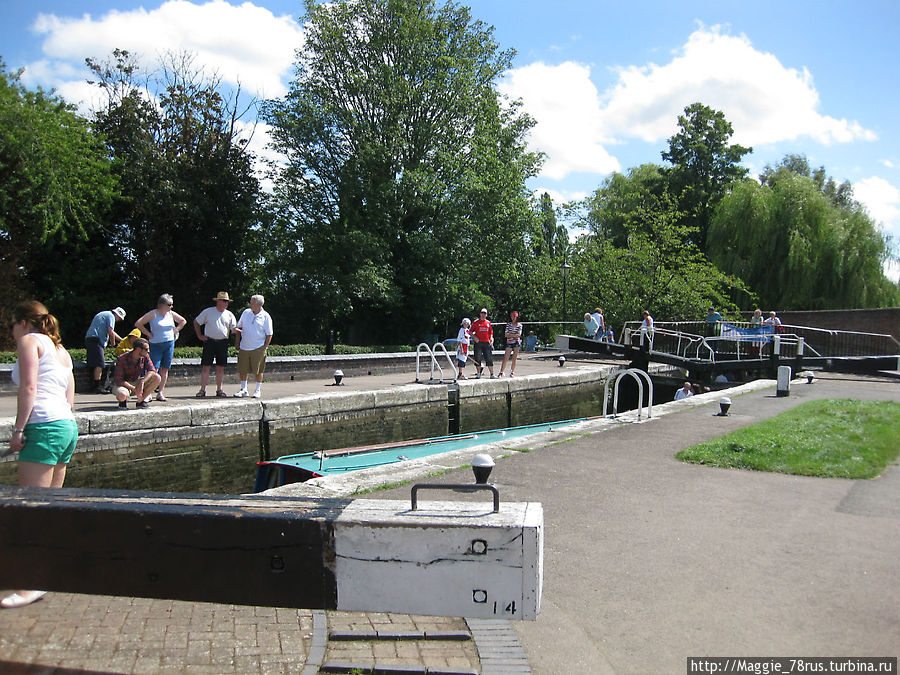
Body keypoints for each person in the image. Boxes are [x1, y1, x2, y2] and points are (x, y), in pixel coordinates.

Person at [2, 301, 79, 609]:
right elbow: (69, 397)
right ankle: (45, 575)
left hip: (44, 426)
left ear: (22, 322)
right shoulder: (62, 350)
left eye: (11, 325)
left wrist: (19, 430)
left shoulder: (29, 341)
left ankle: (27, 586)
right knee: (49, 509)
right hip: (65, 427)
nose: (11, 332)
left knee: (29, 510)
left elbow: (29, 388)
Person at [135, 294, 187, 402]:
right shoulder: (153, 314)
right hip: (155, 344)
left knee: (165, 368)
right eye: (169, 304)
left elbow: (183, 321)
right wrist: (148, 333)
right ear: (162, 304)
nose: (171, 307)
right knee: (153, 369)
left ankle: (160, 392)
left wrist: (175, 330)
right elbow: (138, 323)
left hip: (169, 343)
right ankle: (147, 392)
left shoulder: (171, 314)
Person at [194, 292, 238, 398]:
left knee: (220, 367)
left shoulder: (229, 314)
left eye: (227, 301)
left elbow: (233, 329)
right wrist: (200, 336)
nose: (226, 303)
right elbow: (196, 322)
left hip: (223, 342)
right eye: (224, 301)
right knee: (206, 366)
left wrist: (242, 331)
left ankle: (219, 389)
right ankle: (202, 389)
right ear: (218, 301)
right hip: (210, 341)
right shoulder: (208, 312)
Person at [233, 294, 274, 398]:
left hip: (258, 347)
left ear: (259, 305)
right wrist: (237, 342)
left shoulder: (266, 316)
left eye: (252, 303)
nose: (250, 304)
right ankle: (243, 389)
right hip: (245, 346)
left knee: (258, 370)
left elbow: (269, 334)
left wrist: (264, 347)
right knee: (243, 369)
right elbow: (239, 327)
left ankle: (257, 390)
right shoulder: (246, 312)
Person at [84, 306, 126, 394]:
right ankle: (97, 387)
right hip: (96, 340)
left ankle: (93, 386)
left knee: (93, 363)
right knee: (100, 364)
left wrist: (122, 340)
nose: (119, 320)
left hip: (90, 339)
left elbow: (112, 332)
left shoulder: (105, 314)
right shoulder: (111, 316)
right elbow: (110, 331)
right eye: (120, 318)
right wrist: (113, 343)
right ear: (117, 315)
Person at [112, 337, 161, 409]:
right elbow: (119, 380)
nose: (148, 351)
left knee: (157, 377)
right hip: (123, 385)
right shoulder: (122, 359)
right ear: (138, 349)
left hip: (136, 382)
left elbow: (152, 370)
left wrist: (142, 382)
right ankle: (122, 402)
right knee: (122, 394)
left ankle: (141, 401)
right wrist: (134, 389)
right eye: (146, 349)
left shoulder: (145, 356)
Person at [470, 308, 495, 379]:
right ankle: (478, 374)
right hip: (478, 343)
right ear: (480, 314)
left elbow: (491, 333)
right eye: (482, 313)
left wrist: (491, 339)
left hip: (486, 343)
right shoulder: (476, 322)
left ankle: (492, 374)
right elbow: (470, 332)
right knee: (478, 358)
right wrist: (475, 337)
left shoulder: (488, 323)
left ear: (486, 315)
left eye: (485, 313)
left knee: (489, 358)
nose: (483, 315)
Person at [498, 311, 523, 377]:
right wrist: (514, 335)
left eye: (514, 317)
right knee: (506, 357)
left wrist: (511, 335)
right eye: (512, 316)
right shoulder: (508, 324)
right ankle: (501, 371)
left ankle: (512, 372)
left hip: (516, 343)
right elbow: (506, 335)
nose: (513, 318)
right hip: (509, 342)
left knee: (514, 358)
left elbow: (519, 334)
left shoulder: (519, 325)